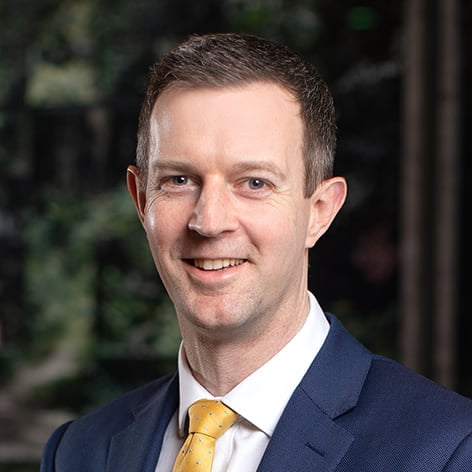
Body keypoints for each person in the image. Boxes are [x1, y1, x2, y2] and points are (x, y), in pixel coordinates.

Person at [41, 32, 472, 472]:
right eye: (179, 180)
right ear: (141, 200)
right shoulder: (76, 452)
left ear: (319, 211)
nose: (209, 222)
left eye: (254, 183)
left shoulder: (449, 451)